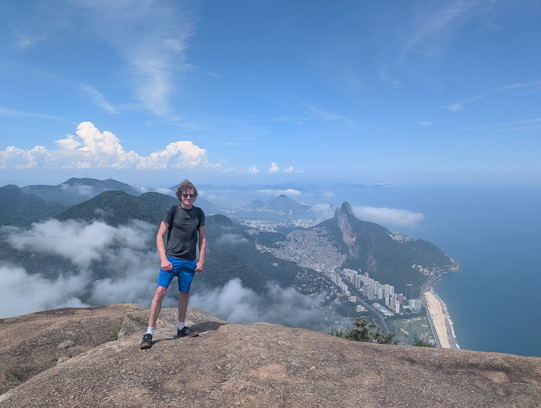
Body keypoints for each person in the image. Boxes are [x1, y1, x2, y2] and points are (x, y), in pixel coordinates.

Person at [140, 179, 206, 349]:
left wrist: (201, 260)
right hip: (171, 260)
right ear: (180, 195)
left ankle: (181, 328)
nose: (188, 197)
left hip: (189, 262)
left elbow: (203, 239)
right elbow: (159, 236)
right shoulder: (172, 211)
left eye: (192, 195)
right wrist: (163, 258)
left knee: (184, 293)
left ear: (195, 196)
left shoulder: (199, 213)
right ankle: (149, 333)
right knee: (160, 292)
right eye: (185, 194)